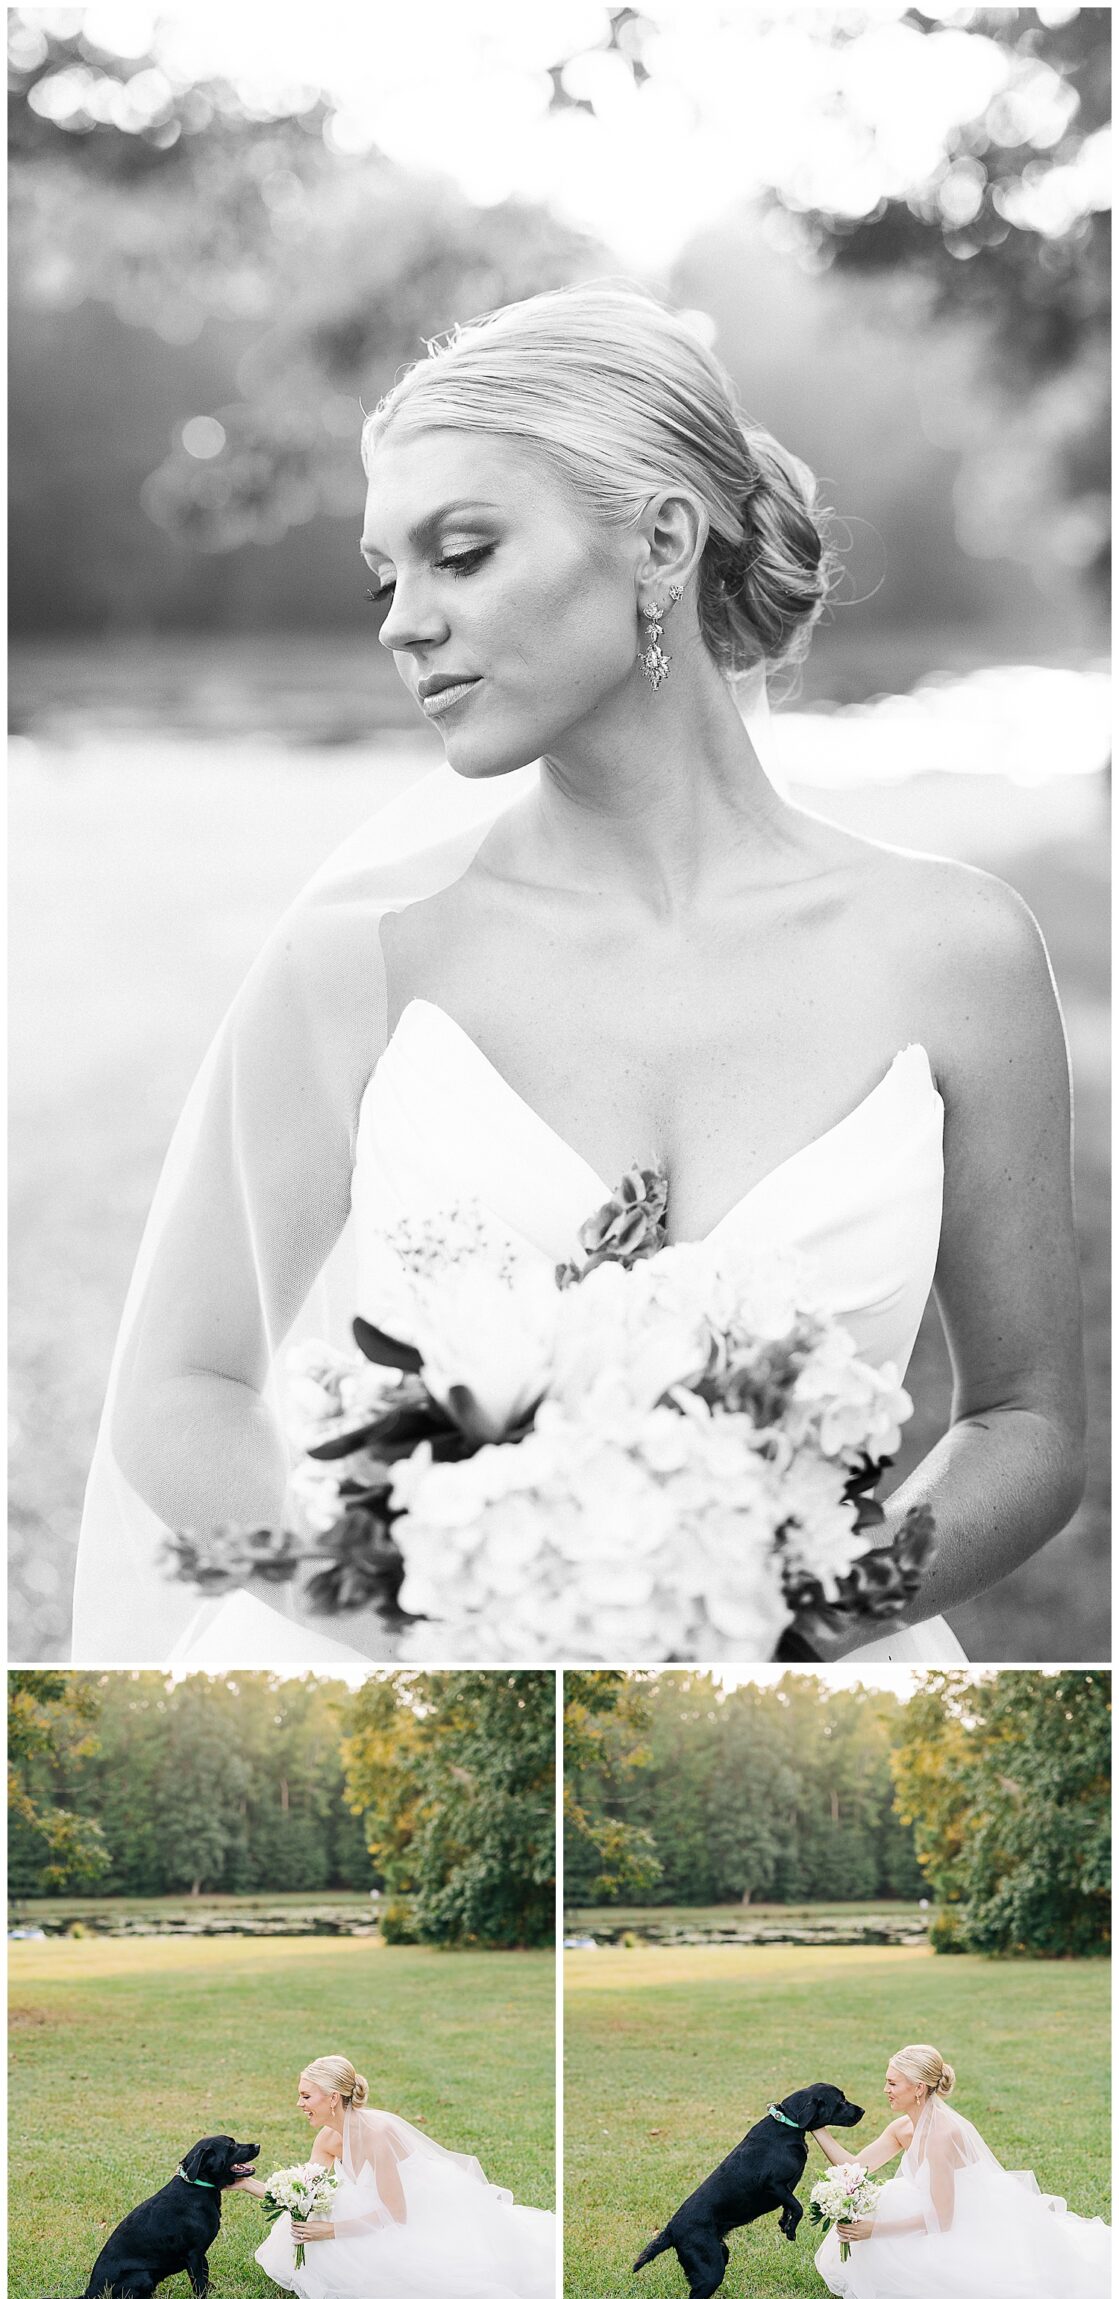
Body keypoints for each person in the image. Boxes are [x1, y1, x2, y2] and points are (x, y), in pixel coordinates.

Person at [73, 280, 1085, 1666]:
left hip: (798, 1725)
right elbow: (178, 1397)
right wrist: (459, 1631)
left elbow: (1022, 1421)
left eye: (461, 555)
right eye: (387, 574)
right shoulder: (354, 964)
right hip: (409, 1713)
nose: (401, 623)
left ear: (660, 540)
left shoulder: (955, 953)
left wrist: (782, 1625)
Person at [236, 2054, 555, 2299]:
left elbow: (396, 2214)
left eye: (306, 2096)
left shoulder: (377, 2134)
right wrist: (247, 2185)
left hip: (417, 2212)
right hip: (375, 2209)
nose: (299, 2103)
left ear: (333, 2097)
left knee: (436, 2276)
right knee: (314, 2216)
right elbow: (303, 2192)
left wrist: (331, 2231)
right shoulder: (328, 2138)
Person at [812, 2043, 1109, 2299]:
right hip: (932, 2208)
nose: (885, 2089)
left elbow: (942, 2219)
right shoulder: (903, 2127)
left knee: (991, 2284)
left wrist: (874, 2231)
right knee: (884, 2204)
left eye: (891, 2083)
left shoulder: (942, 2136)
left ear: (918, 2088)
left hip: (967, 2221)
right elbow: (855, 2167)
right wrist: (814, 2126)